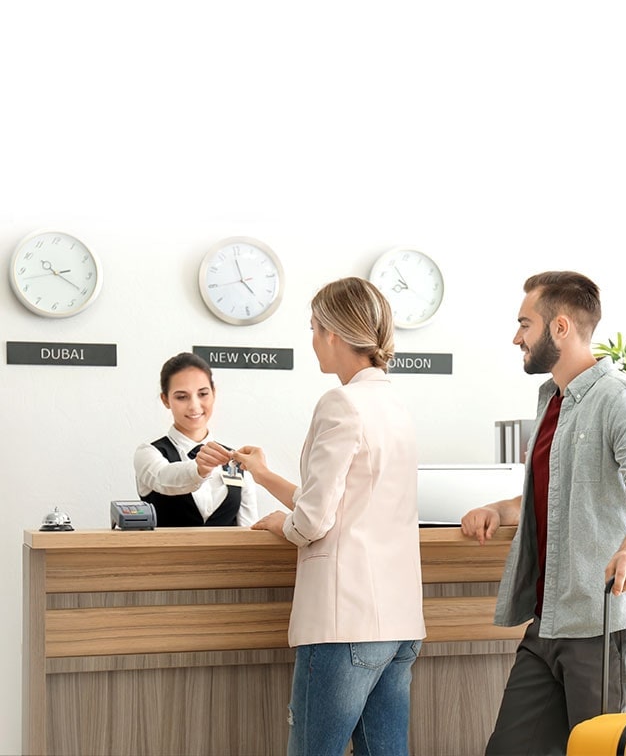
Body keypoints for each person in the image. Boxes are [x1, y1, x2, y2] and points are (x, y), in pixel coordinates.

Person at [461, 271, 626, 756]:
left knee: (602, 751)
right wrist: (500, 509)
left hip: (603, 624)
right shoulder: (553, 401)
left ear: (559, 327)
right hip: (548, 622)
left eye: (525, 324)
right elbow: (559, 493)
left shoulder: (620, 398)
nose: (516, 337)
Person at [232, 276, 425, 756]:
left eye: (314, 328)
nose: (313, 339)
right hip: (398, 624)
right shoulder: (395, 405)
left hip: (345, 624)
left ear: (333, 334)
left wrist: (283, 525)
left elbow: (313, 521)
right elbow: (344, 502)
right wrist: (265, 475)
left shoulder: (341, 402)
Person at [134, 351, 260, 527]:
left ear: (213, 393)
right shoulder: (148, 453)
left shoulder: (235, 460)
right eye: (182, 397)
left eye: (203, 394)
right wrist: (198, 469)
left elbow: (248, 529)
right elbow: (164, 479)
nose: (194, 406)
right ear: (165, 400)